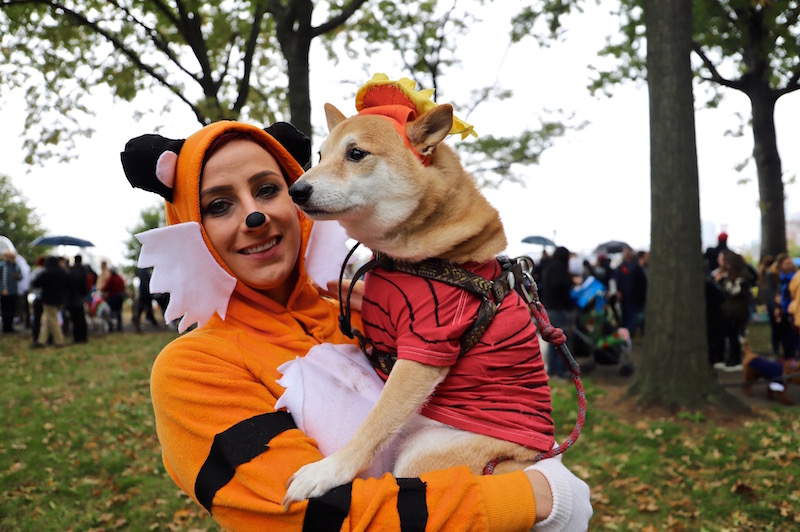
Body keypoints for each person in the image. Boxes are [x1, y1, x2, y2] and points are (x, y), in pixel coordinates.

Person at [120, 120, 592, 530]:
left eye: (268, 190)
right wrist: (538, 497)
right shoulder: (193, 369)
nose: (255, 217)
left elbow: (484, 398)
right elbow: (314, 517)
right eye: (219, 205)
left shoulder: (365, 311)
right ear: (189, 227)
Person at [538, 246, 576, 380]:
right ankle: (560, 370)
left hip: (549, 308)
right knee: (562, 341)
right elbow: (558, 285)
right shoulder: (559, 268)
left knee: (553, 341)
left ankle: (552, 369)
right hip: (558, 308)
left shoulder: (549, 266)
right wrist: (570, 283)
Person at [713, 250, 755, 370]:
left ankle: (736, 360)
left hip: (738, 311)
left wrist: (721, 283)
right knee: (731, 336)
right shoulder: (730, 275)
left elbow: (734, 291)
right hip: (730, 311)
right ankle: (732, 358)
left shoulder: (743, 276)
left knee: (735, 336)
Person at [31, 255, 69, 347]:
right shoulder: (63, 272)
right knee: (48, 320)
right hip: (60, 300)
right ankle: (41, 341)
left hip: (49, 300)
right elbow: (68, 285)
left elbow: (35, 283)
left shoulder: (46, 273)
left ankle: (59, 341)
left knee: (53, 320)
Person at [613, 246, 647, 336]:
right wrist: (618, 291)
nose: (627, 254)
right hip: (624, 295)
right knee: (626, 314)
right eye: (625, 252)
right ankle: (626, 333)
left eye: (628, 252)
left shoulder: (636, 265)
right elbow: (618, 279)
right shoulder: (621, 267)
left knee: (633, 315)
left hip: (634, 295)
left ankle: (628, 333)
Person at [66, 255, 90, 343]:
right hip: (80, 298)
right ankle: (83, 337)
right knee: (81, 318)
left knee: (75, 319)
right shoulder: (84, 270)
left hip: (73, 298)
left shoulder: (71, 271)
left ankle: (77, 337)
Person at [0, 249, 22, 333]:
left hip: (13, 291)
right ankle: (6, 328)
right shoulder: (2, 266)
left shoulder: (16, 266)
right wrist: (2, 289)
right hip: (5, 292)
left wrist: (18, 276)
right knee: (5, 310)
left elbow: (20, 277)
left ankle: (10, 327)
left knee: (12, 310)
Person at [133, 267, 160, 332]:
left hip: (144, 293)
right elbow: (145, 283)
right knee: (144, 309)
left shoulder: (143, 270)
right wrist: (149, 292)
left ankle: (152, 323)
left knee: (144, 309)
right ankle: (139, 325)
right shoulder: (145, 271)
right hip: (145, 294)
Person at [101, 267, 126, 332]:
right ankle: (119, 328)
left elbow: (105, 288)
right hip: (120, 298)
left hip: (112, 298)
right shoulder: (120, 278)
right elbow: (123, 287)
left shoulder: (111, 279)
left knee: (110, 312)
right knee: (118, 313)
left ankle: (111, 327)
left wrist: (102, 290)